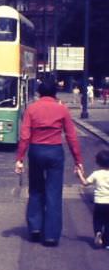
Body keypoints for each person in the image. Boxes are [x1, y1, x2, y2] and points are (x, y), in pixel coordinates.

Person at [15, 77, 84, 247]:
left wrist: (20, 159)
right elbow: (71, 137)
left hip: (36, 150)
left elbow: (25, 136)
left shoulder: (32, 109)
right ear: (55, 93)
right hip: (55, 151)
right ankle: (51, 235)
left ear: (39, 93)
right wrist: (78, 160)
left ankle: (35, 228)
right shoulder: (62, 110)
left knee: (36, 189)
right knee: (53, 192)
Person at [76, 149, 109, 249]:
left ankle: (98, 232)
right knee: (108, 223)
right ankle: (107, 243)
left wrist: (79, 174)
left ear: (98, 162)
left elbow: (85, 183)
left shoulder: (96, 174)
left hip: (99, 202)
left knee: (97, 220)